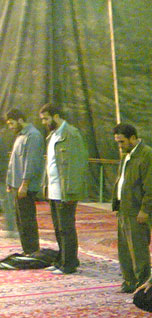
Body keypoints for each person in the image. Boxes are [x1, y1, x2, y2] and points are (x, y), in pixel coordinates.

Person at [39, 103, 89, 274]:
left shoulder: (71, 134)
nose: (44, 122)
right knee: (58, 228)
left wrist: (71, 191)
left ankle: (69, 264)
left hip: (65, 191)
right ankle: (61, 260)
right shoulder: (52, 135)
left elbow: (77, 164)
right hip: (54, 190)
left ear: (56, 116)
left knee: (66, 228)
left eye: (46, 118)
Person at [112, 123, 152, 293]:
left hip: (137, 211)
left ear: (133, 138)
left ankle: (142, 285)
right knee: (125, 250)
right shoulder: (127, 155)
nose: (120, 145)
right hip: (124, 209)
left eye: (122, 142)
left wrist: (145, 209)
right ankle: (129, 281)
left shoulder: (147, 155)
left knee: (138, 250)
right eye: (117, 142)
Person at [5, 109, 44, 254]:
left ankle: (32, 251)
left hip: (25, 187)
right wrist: (10, 182)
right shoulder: (21, 136)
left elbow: (31, 162)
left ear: (20, 120)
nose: (10, 127)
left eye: (12, 123)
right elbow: (14, 161)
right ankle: (27, 250)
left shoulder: (33, 136)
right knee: (21, 220)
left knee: (27, 220)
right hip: (18, 185)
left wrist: (25, 185)